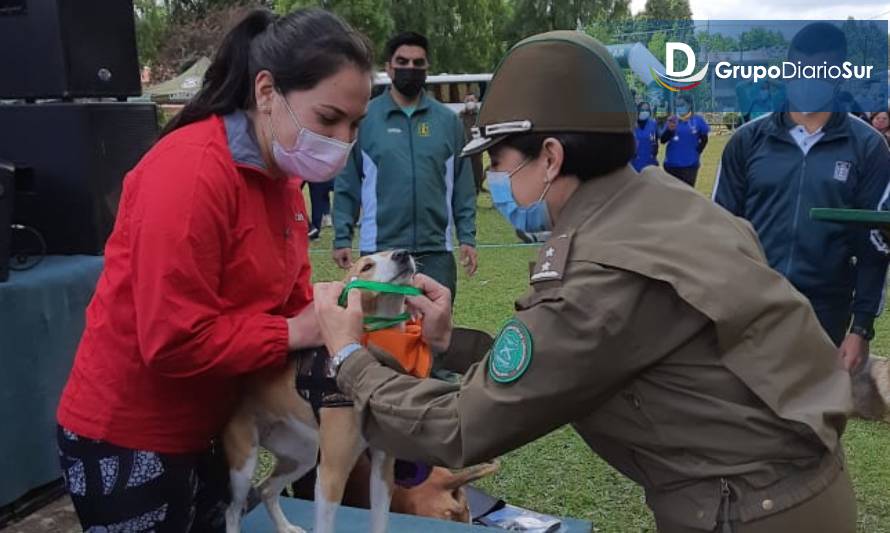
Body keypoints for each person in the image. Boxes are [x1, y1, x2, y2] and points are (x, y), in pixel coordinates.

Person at [314, 31, 856, 533]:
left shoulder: (599, 271)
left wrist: (348, 359)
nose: (497, 180)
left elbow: (461, 427)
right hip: (796, 491)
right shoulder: (666, 204)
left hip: (748, 513)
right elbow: (574, 358)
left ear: (550, 157)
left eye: (499, 161)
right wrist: (447, 343)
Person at [54, 9, 372, 531]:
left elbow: (285, 302)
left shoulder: (283, 180)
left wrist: (356, 313)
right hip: (131, 433)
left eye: (354, 125)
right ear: (266, 91)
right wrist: (296, 328)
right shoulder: (192, 172)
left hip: (215, 422)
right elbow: (171, 340)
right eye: (329, 119)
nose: (341, 141)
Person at [713, 22, 890, 370]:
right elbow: (718, 229)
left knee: (813, 418)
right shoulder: (747, 141)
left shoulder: (869, 147)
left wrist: (862, 327)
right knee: (745, 412)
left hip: (826, 309)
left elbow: (875, 242)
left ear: (840, 75)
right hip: (751, 305)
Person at [332, 31, 478, 300]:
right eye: (403, 61)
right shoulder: (366, 119)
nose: (410, 68)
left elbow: (463, 185)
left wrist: (467, 236)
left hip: (435, 251)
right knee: (379, 331)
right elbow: (347, 181)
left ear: (426, 68)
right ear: (388, 67)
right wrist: (342, 236)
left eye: (418, 63)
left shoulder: (448, 122)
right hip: (380, 250)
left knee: (433, 332)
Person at [660, 94, 709, 187]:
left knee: (687, 195)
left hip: (690, 166)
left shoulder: (698, 120)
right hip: (671, 165)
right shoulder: (672, 120)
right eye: (677, 105)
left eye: (682, 105)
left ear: (689, 105)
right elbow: (663, 140)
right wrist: (669, 131)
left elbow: (704, 139)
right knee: (673, 195)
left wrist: (697, 151)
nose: (679, 108)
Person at [460, 93, 486, 194]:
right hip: (464, 147)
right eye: (467, 100)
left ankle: (478, 186)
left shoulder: (480, 115)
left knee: (477, 168)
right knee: (465, 169)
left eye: (472, 100)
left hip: (477, 146)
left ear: (476, 101)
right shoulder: (460, 115)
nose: (470, 102)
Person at [631, 101, 658, 171]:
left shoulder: (653, 124)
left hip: (649, 163)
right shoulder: (632, 124)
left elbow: (654, 142)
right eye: (642, 110)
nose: (645, 112)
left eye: (647, 110)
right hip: (634, 164)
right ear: (638, 110)